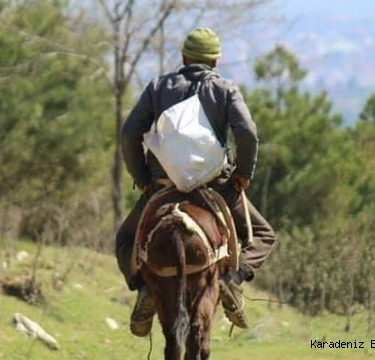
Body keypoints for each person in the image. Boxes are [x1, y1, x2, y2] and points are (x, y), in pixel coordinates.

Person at [116, 27, 277, 337]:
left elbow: (128, 134)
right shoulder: (226, 89)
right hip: (214, 185)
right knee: (263, 233)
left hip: (163, 185)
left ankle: (144, 289)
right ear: (214, 62)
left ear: (184, 57)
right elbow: (247, 134)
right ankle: (233, 280)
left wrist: (144, 179)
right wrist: (243, 174)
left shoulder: (157, 87)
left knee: (124, 239)